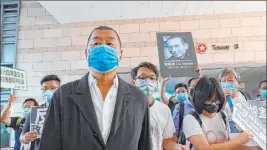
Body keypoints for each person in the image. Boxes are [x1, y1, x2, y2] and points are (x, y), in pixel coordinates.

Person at [39, 26, 151, 150]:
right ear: (86, 53)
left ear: (121, 54)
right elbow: (49, 143)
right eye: (96, 43)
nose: (103, 48)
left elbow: (144, 144)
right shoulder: (63, 95)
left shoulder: (138, 98)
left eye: (110, 43)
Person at [183, 76, 254, 150]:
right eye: (209, 100)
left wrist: (252, 148)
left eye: (216, 100)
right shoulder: (191, 119)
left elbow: (229, 145)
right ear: (200, 98)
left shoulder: (222, 115)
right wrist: (238, 140)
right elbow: (204, 148)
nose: (213, 103)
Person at [131, 62, 189, 150]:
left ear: (156, 84)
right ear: (134, 83)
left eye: (152, 78)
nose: (147, 81)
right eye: (142, 78)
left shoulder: (164, 110)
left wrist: (180, 147)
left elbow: (167, 143)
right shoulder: (124, 108)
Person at [20, 74, 61, 150]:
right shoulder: (35, 111)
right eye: (44, 89)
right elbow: (22, 137)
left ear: (59, 89)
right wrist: (25, 138)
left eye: (52, 88)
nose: (48, 91)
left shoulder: (68, 109)